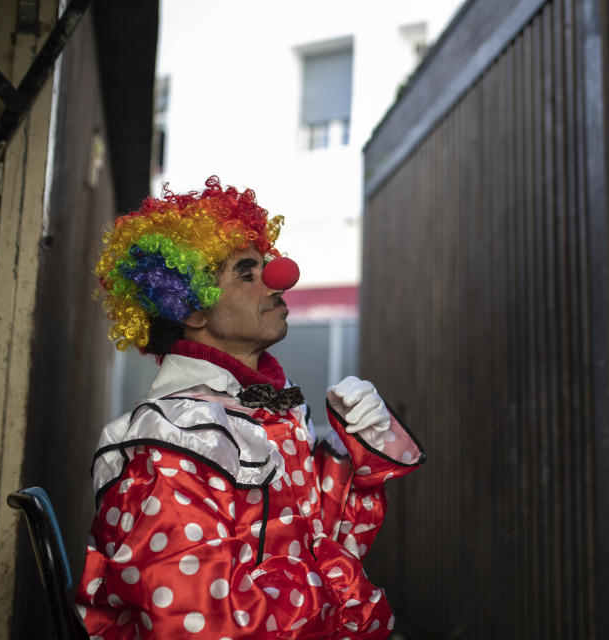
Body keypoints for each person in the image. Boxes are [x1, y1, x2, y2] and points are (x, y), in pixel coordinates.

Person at [75, 177, 424, 639]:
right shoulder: (174, 442)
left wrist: (362, 457)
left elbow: (329, 544)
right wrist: (341, 604)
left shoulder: (257, 415)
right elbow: (197, 622)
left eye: (267, 264)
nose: (281, 277)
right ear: (193, 309)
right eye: (247, 272)